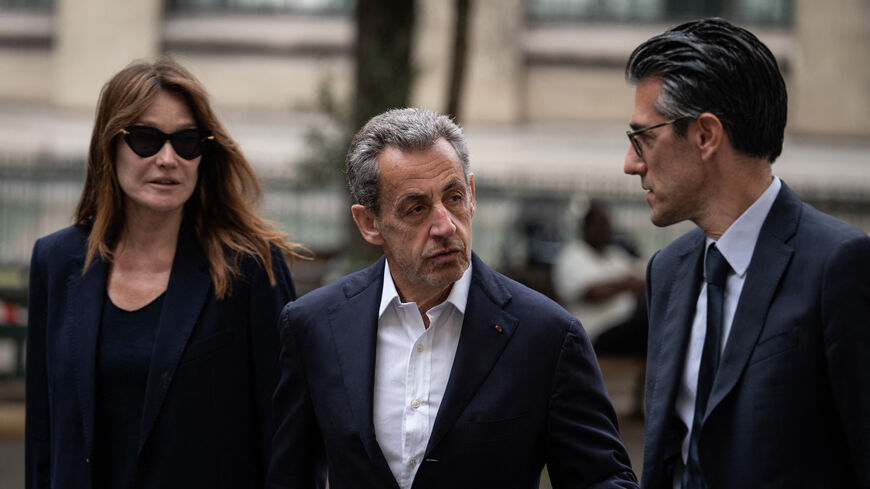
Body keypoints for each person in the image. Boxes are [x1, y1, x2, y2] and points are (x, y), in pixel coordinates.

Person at [267, 108, 638, 489]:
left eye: (454, 197)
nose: (445, 225)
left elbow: (602, 479)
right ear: (368, 223)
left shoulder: (547, 335)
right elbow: (288, 476)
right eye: (416, 209)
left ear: (472, 195)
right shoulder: (314, 324)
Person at [25, 58, 305, 489]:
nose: (168, 159)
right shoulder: (56, 260)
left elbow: (287, 436)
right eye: (145, 139)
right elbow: (44, 434)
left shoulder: (250, 266)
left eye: (187, 141)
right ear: (110, 145)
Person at [623, 18, 870, 489]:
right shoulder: (667, 271)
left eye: (643, 139)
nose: (631, 163)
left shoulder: (840, 265)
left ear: (705, 136)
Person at [552, 201, 647, 356]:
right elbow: (592, 293)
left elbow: (645, 279)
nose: (605, 229)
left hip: (624, 329)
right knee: (645, 321)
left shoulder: (615, 255)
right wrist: (626, 284)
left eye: (607, 224)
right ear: (585, 227)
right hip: (593, 336)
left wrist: (622, 285)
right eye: (600, 224)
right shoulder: (572, 255)